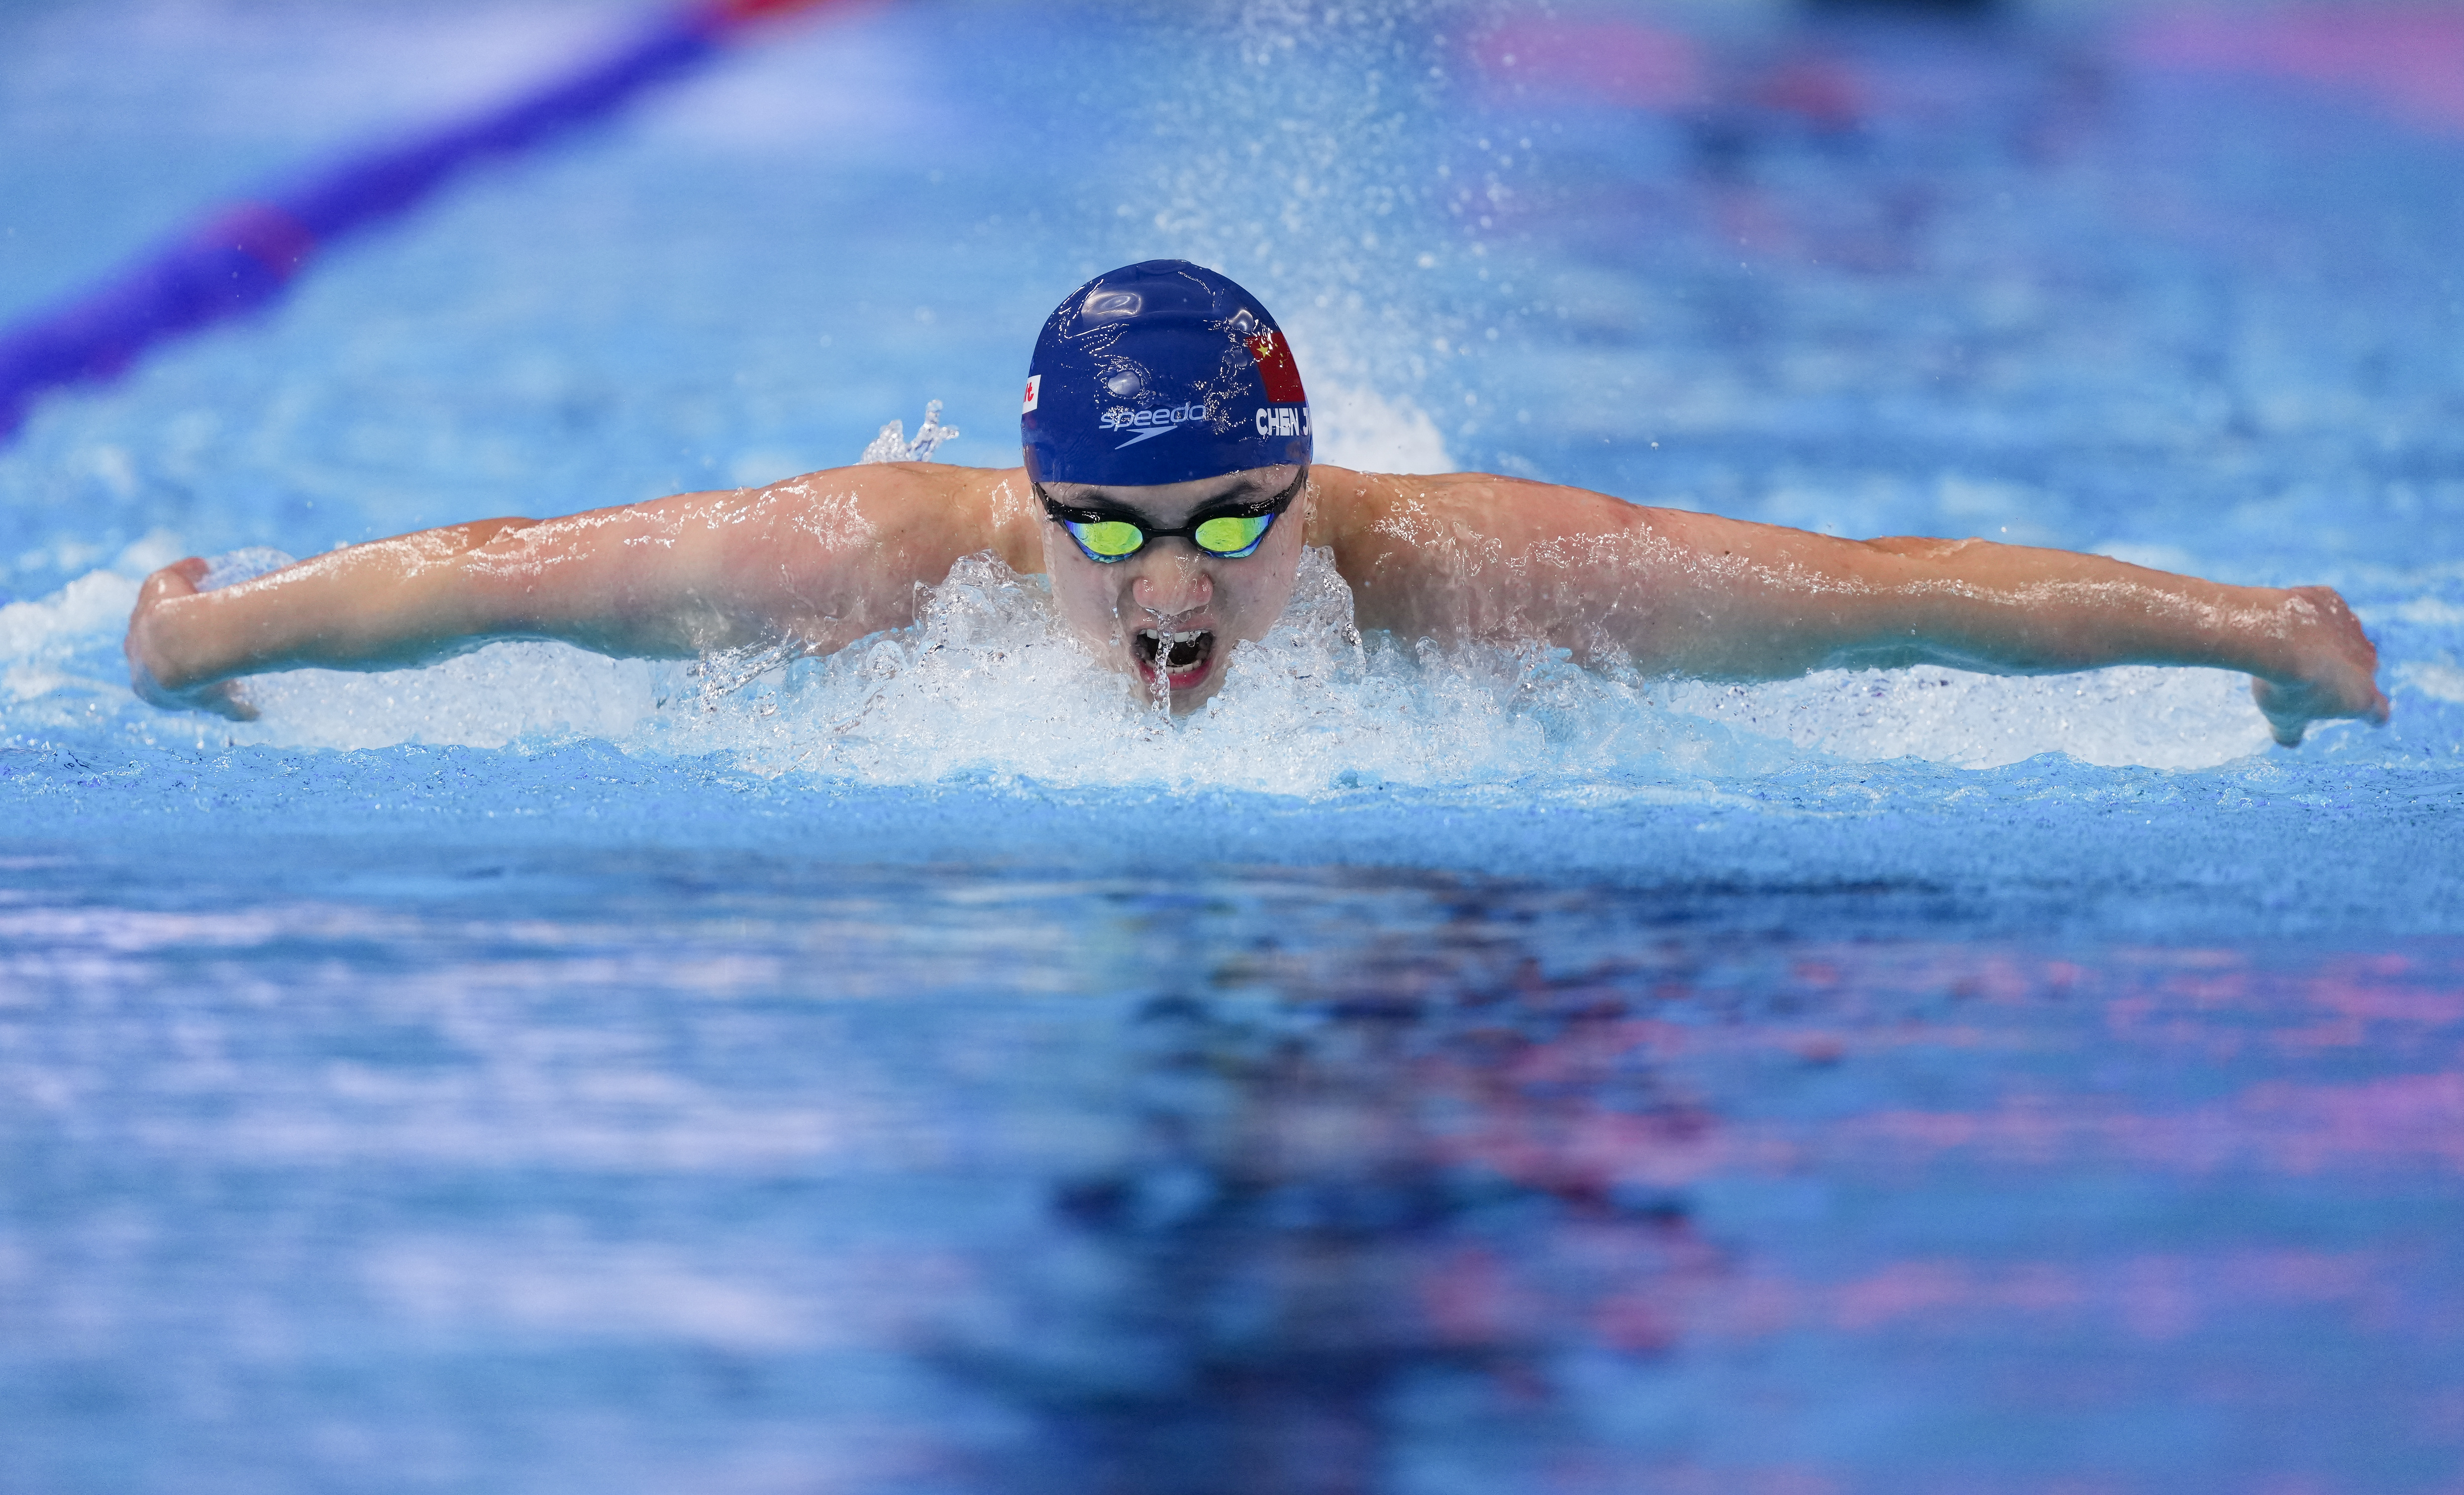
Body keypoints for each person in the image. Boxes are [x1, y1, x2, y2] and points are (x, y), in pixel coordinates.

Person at [124, 259, 2388, 745]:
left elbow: (1886, 596)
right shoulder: (864, 557)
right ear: (1032, 497)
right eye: (1116, 528)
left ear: (1314, 486)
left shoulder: (1456, 572)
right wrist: (204, 632)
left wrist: (2252, 630)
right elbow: (503, 577)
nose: (1182, 577)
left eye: (1237, 512)